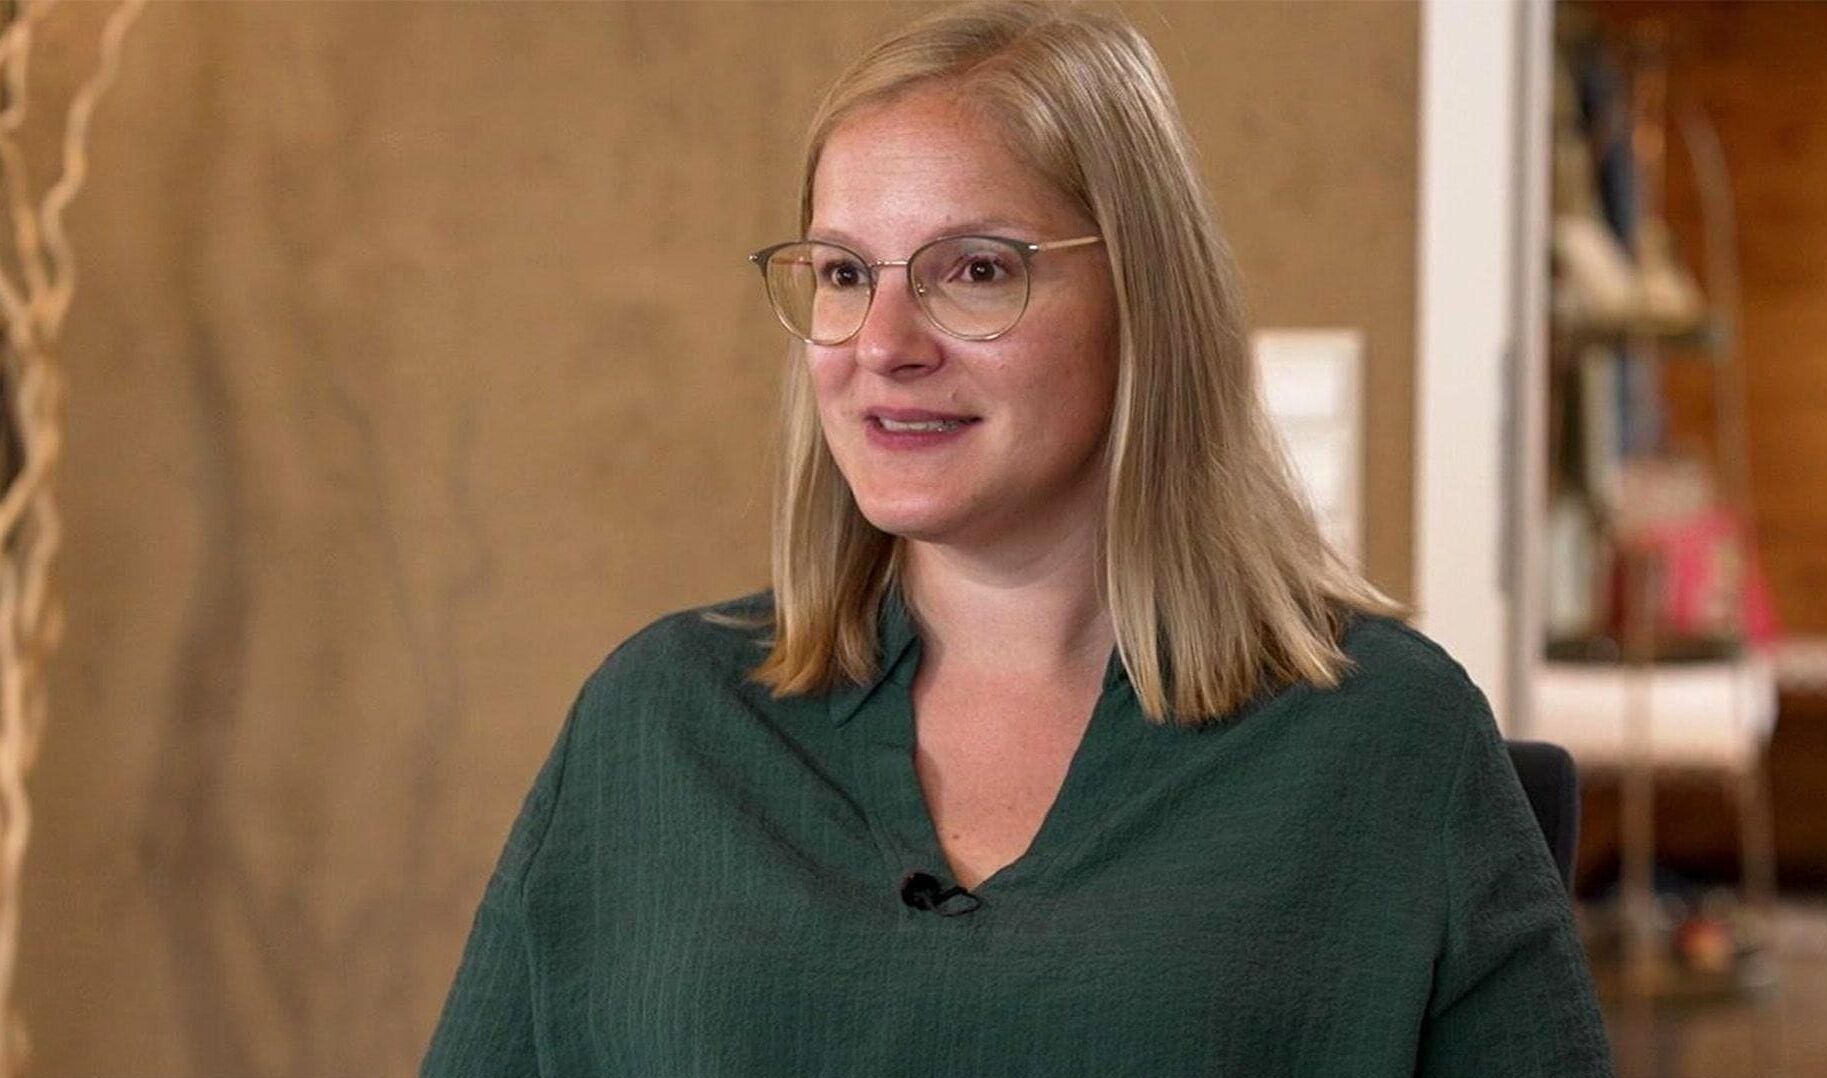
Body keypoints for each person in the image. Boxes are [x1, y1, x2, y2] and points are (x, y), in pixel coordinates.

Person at [421, 3, 1616, 1075]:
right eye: (843, 273)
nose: (882, 343)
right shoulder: (654, 725)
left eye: (976, 270)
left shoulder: (1386, 745)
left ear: (1143, 298)